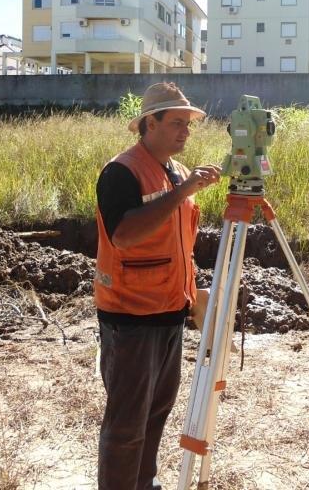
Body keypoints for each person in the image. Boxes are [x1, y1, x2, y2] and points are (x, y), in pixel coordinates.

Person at [94, 82, 221, 490]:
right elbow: (125, 235)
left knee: (157, 410)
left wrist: (193, 291)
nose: (186, 131)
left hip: (169, 308)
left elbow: (179, 238)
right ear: (151, 123)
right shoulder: (121, 171)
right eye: (177, 123)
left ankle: (143, 483)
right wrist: (183, 191)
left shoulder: (177, 171)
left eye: (189, 124)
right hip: (130, 313)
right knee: (127, 422)